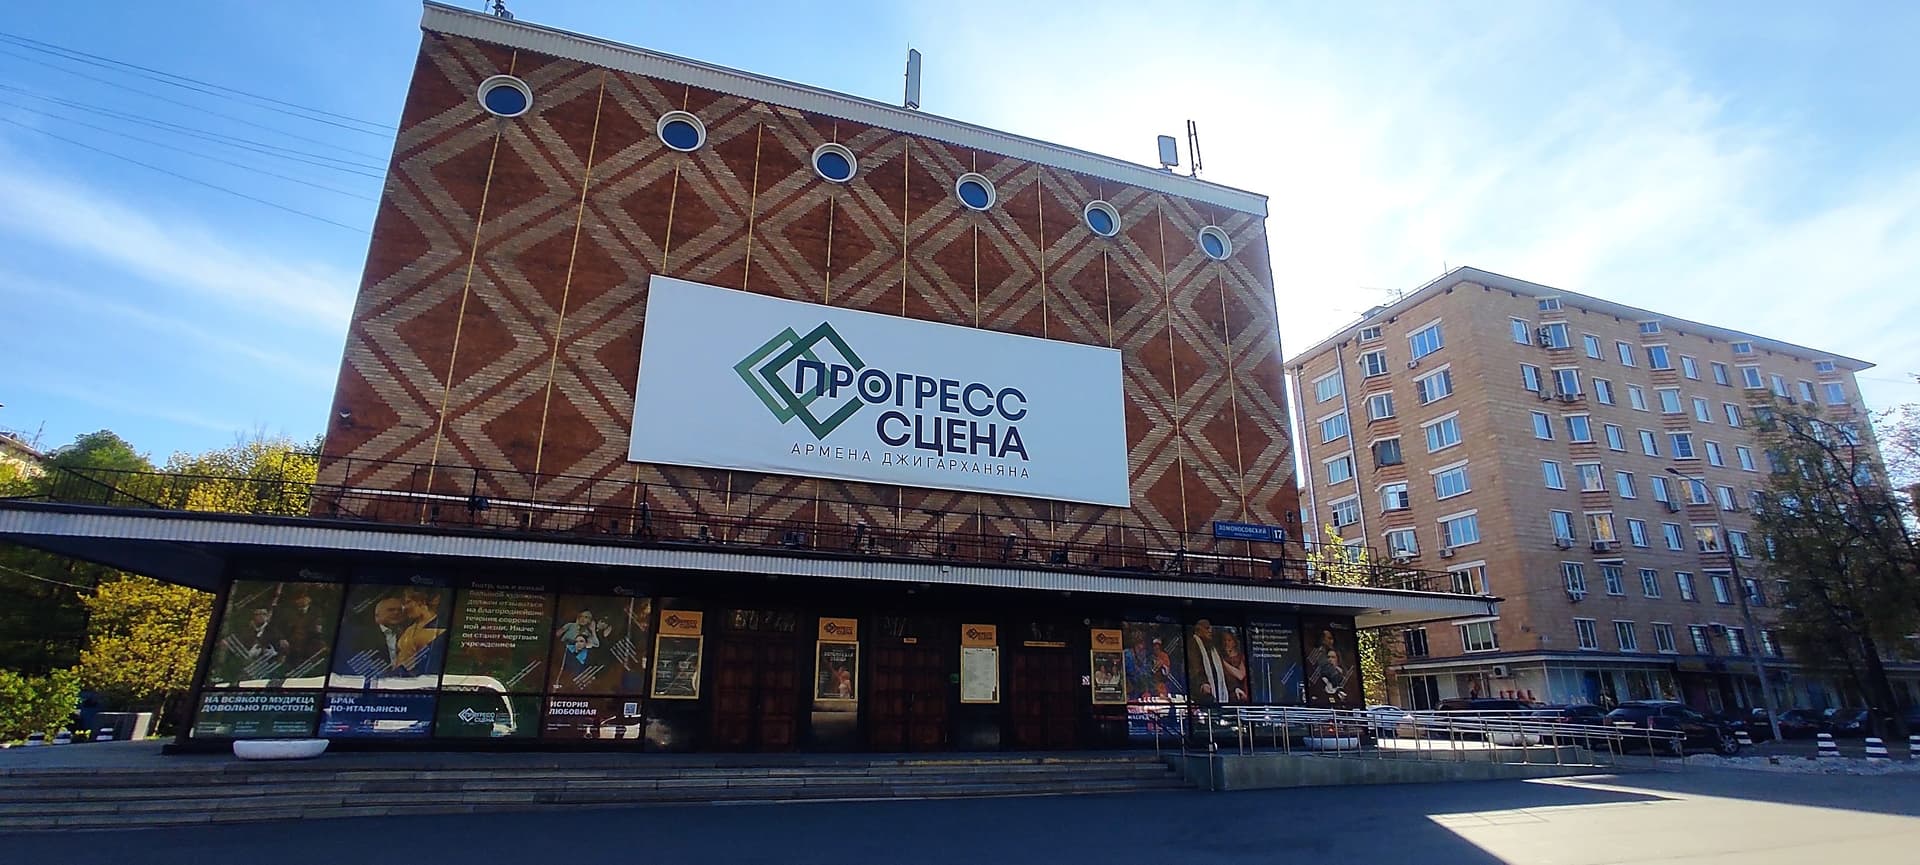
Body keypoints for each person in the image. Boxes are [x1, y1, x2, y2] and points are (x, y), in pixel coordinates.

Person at [394, 588, 446, 676]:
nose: (404, 607)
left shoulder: (439, 630)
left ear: (423, 602)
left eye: (408, 602)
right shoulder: (409, 628)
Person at [1189, 620, 1229, 705]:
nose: (1210, 631)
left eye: (1211, 628)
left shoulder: (1212, 647)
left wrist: (1235, 688)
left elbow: (1222, 670)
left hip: (1216, 690)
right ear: (1198, 631)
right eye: (1207, 628)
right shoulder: (1192, 644)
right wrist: (1202, 683)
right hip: (1201, 693)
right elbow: (1194, 666)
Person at [1219, 629, 1250, 703]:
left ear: (1234, 642)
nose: (1226, 643)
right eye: (1224, 640)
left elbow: (1241, 675)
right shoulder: (1222, 657)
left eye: (1229, 640)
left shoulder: (1241, 657)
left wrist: (1222, 662)